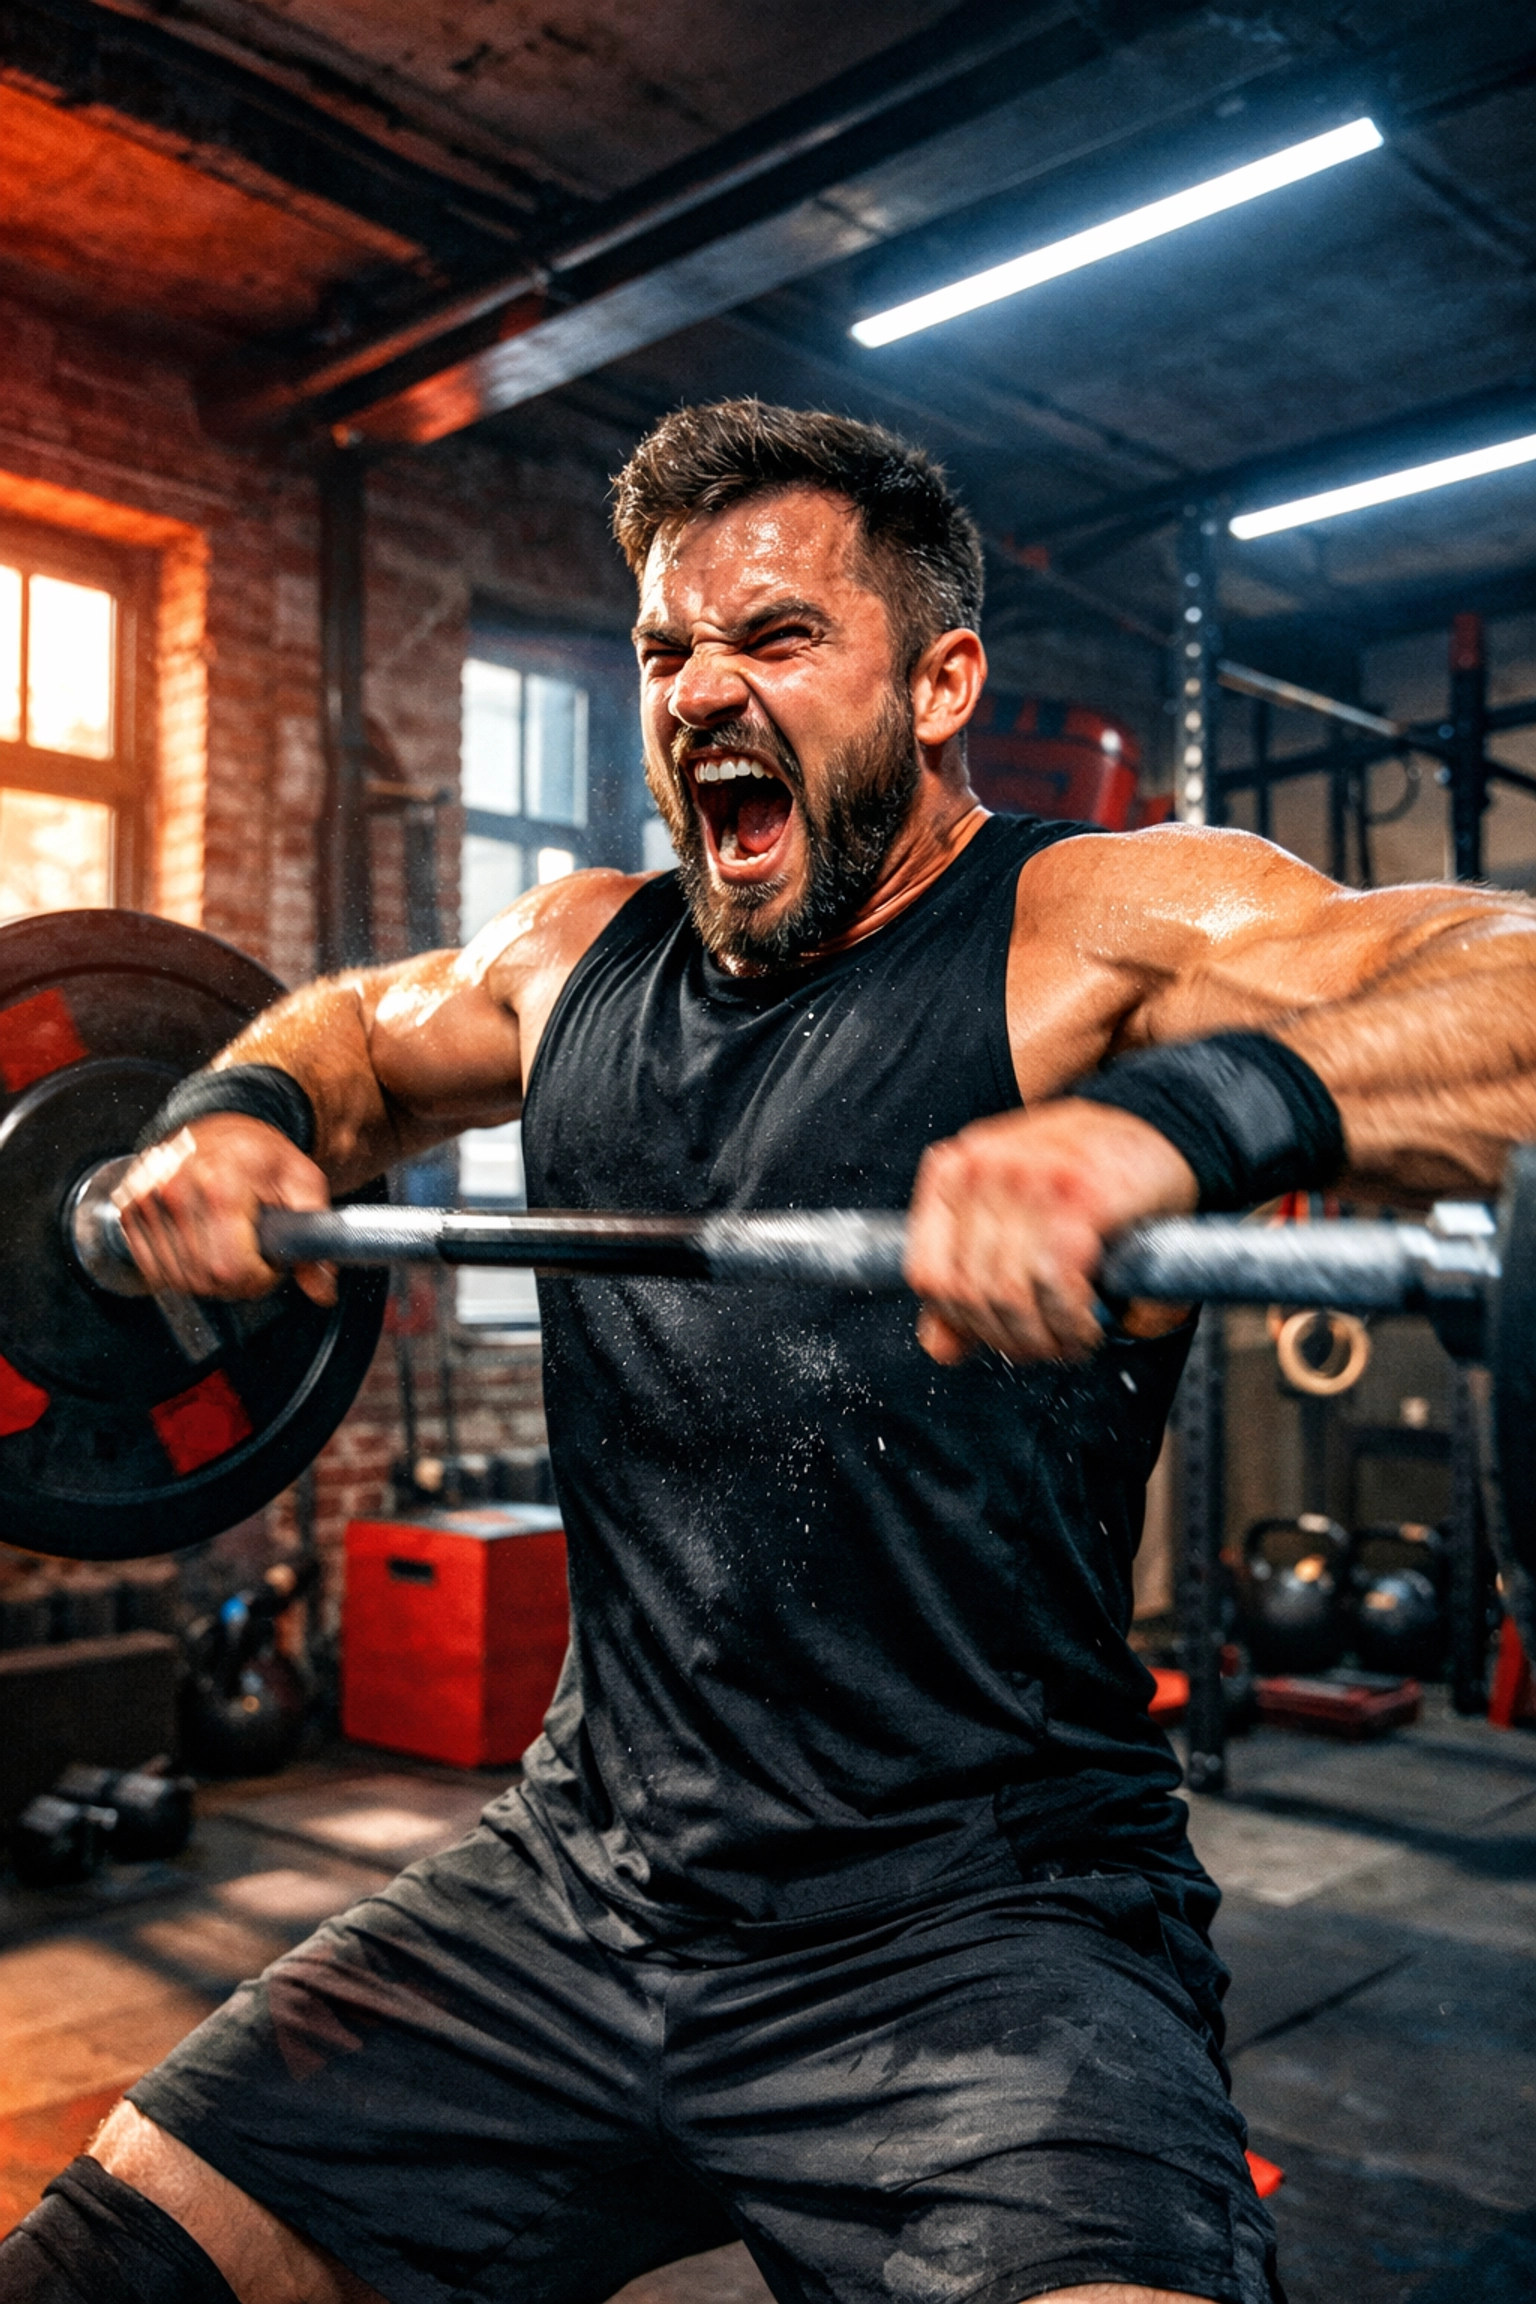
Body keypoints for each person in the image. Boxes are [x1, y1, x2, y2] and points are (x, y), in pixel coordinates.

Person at [6, 401, 1533, 2304]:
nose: (703, 689)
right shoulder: (584, 952)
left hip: (986, 1932)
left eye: (779, 638)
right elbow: (363, 1040)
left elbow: (1507, 981)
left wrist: (1187, 1119)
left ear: (942, 679)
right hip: (580, 1885)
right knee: (92, 2275)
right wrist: (236, 1110)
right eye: (667, 650)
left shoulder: (1091, 932)